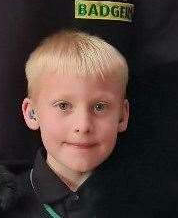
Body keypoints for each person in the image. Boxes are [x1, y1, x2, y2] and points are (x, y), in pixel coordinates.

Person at [17, 31, 130, 218]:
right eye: (63, 105)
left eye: (100, 107)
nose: (83, 125)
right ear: (32, 113)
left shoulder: (150, 202)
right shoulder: (0, 207)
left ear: (122, 115)